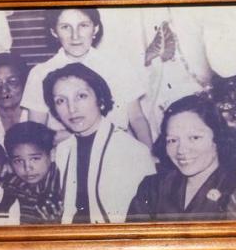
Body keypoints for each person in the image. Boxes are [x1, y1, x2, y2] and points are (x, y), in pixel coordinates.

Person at [127, 94, 236, 222]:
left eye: (194, 137)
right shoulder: (153, 188)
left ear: (218, 138)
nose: (181, 149)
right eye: (172, 140)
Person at [19, 7, 153, 147]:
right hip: (65, 151)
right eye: (65, 27)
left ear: (95, 29)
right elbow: (36, 131)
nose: (75, 36)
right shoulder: (40, 73)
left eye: (83, 25)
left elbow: (137, 118)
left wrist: (149, 156)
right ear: (54, 32)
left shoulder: (119, 66)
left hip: (117, 150)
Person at [45, 63, 155, 223]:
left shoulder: (132, 151)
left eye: (81, 96)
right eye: (61, 100)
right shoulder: (61, 151)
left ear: (100, 99)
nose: (72, 108)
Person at [2, 121, 63, 224]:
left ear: (52, 155)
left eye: (35, 159)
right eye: (19, 161)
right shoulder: (11, 184)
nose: (27, 168)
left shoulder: (63, 184)